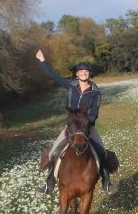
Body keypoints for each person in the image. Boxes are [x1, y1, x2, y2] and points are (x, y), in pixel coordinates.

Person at [35, 49, 115, 195]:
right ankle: (49, 183)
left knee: (102, 152)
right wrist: (42, 61)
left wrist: (85, 125)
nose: (84, 73)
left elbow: (94, 113)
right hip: (71, 129)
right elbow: (54, 76)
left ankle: (106, 182)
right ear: (77, 74)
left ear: (89, 74)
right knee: (53, 152)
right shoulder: (71, 86)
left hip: (87, 128)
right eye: (81, 71)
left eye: (86, 71)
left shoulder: (95, 92)